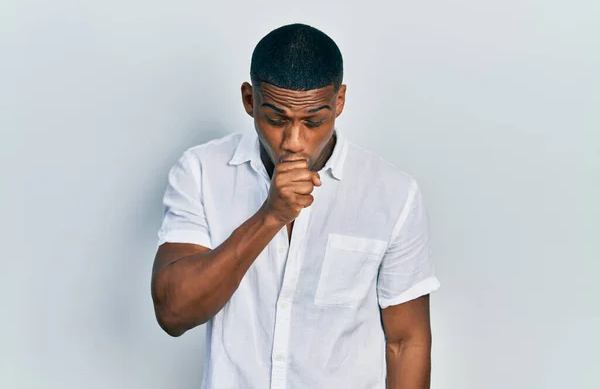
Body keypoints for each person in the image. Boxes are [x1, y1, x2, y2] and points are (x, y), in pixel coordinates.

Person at [151, 23, 441, 389]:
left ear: (339, 102)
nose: (294, 142)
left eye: (314, 121)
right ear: (249, 100)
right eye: (275, 120)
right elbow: (174, 313)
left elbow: (406, 341)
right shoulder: (201, 172)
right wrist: (271, 215)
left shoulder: (392, 192)